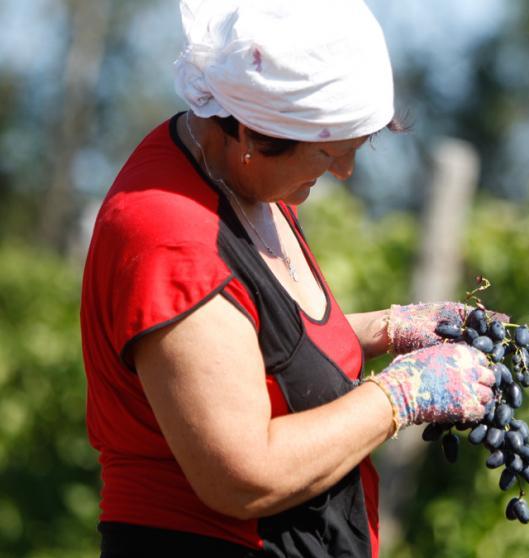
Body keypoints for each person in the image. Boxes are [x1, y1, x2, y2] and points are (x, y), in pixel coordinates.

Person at [79, 1, 502, 556]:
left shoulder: (242, 178)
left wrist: (390, 328)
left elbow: (251, 345)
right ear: (256, 132)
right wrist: (401, 395)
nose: (345, 171)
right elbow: (243, 475)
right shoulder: (173, 241)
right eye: (330, 151)